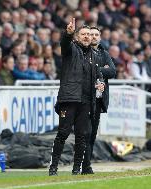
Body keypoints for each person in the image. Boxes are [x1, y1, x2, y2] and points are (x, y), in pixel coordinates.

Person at [49, 18, 104, 176]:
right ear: (78, 37)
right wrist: (68, 33)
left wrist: (100, 84)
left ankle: (76, 169)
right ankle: (53, 167)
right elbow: (64, 43)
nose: (87, 36)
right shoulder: (71, 49)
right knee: (63, 133)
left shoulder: (94, 56)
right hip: (69, 99)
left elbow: (98, 76)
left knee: (82, 136)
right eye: (83, 34)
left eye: (89, 34)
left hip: (86, 101)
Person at [81, 26, 116, 174]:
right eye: (91, 34)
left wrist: (96, 69)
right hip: (85, 97)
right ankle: (84, 165)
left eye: (96, 35)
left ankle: (86, 165)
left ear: (100, 37)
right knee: (86, 132)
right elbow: (83, 70)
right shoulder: (82, 51)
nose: (94, 37)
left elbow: (113, 71)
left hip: (99, 99)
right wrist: (102, 68)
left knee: (93, 133)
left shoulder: (104, 53)